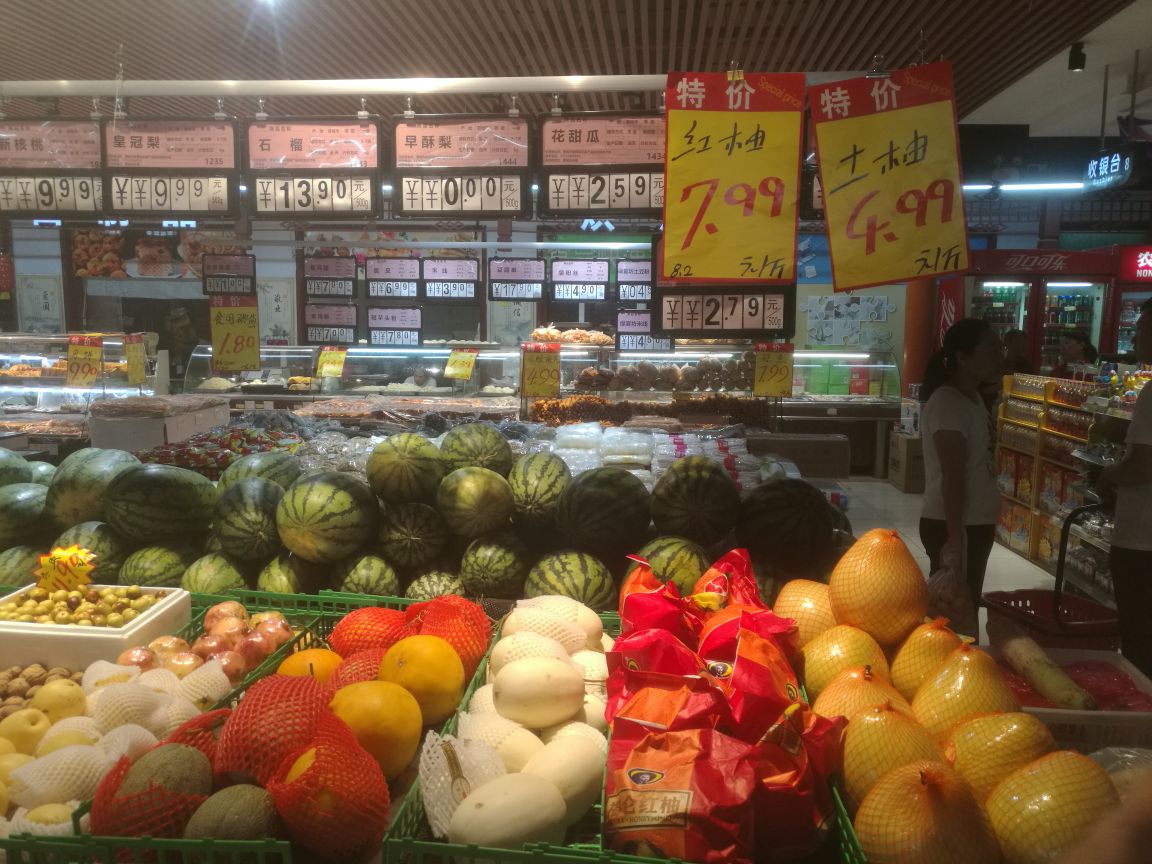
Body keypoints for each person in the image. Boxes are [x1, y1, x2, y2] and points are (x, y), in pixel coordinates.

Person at [919, 318, 1004, 606]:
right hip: (955, 522)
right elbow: (952, 474)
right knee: (953, 610)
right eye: (991, 349)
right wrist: (954, 537)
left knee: (964, 603)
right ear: (963, 358)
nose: (1000, 356)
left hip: (972, 521)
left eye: (1000, 348)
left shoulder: (973, 398)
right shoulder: (948, 403)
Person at [1097, 296, 1152, 677]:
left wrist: (1108, 475)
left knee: (1139, 636)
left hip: (1142, 539)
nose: (1134, 338)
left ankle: (1140, 704)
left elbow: (1142, 465)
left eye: (1142, 330)